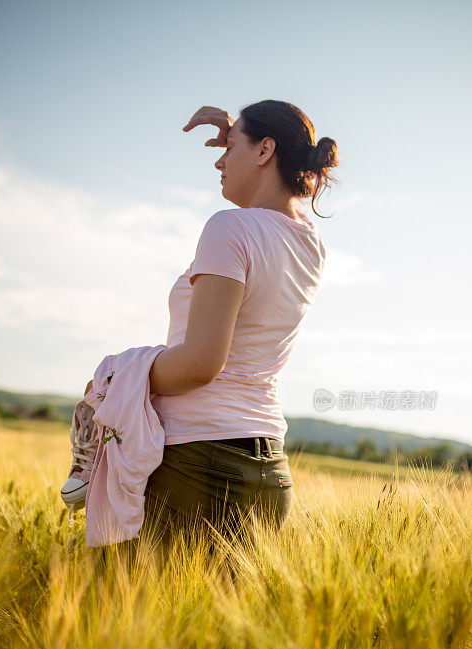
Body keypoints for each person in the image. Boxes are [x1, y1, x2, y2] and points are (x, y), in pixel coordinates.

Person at [61, 99, 339, 561]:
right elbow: (280, 203)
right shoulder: (311, 243)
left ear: (265, 150)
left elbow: (201, 364)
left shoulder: (230, 228)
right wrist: (243, 133)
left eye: (229, 148)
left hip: (196, 464)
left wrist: (116, 381)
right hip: (268, 471)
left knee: (131, 625)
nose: (218, 160)